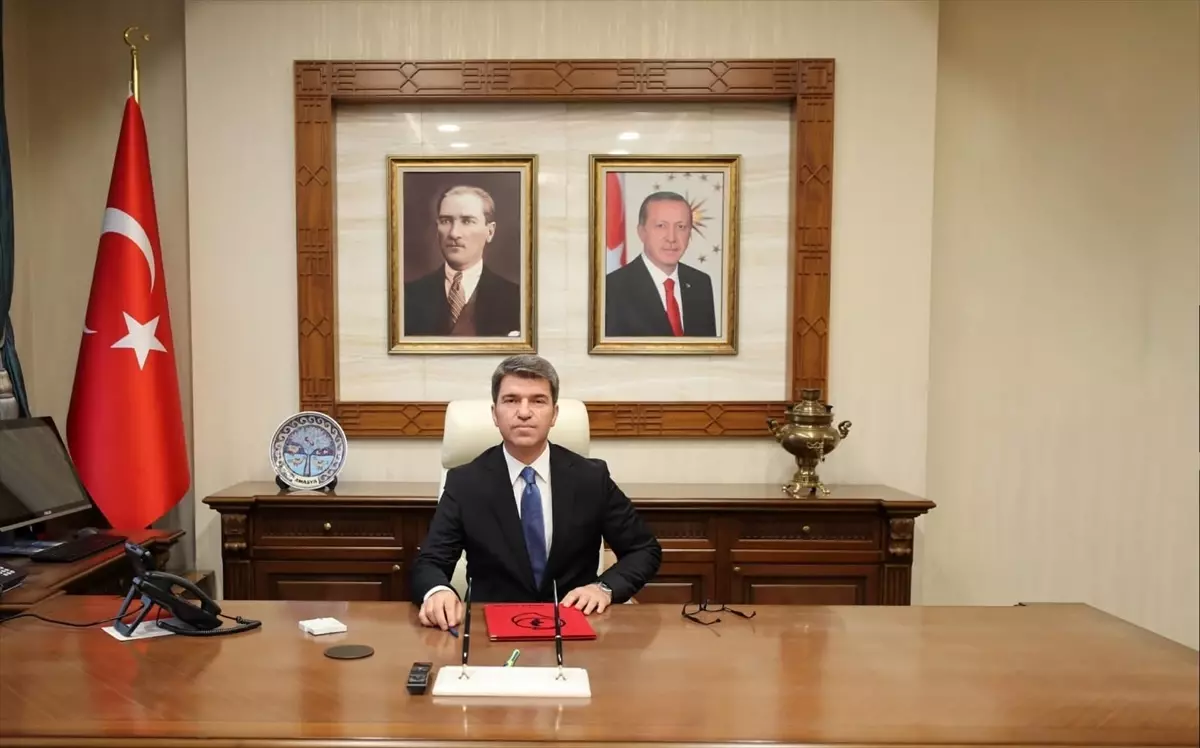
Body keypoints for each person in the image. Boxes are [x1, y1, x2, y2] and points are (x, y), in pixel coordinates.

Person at [412, 354, 662, 630]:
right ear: (494, 413)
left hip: (575, 624)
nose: (524, 412)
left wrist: (604, 588)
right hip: (491, 629)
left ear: (554, 414)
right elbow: (430, 562)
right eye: (511, 400)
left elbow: (643, 550)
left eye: (538, 401)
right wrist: (438, 591)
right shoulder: (465, 483)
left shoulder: (590, 478)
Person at [404, 184, 521, 337]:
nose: (454, 233)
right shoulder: (407, 297)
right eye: (446, 221)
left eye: (467, 221)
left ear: (490, 232)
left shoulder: (517, 299)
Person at [604, 191, 717, 337]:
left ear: (689, 232)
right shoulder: (612, 288)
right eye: (661, 226)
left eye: (681, 227)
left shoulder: (700, 283)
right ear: (641, 232)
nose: (671, 238)